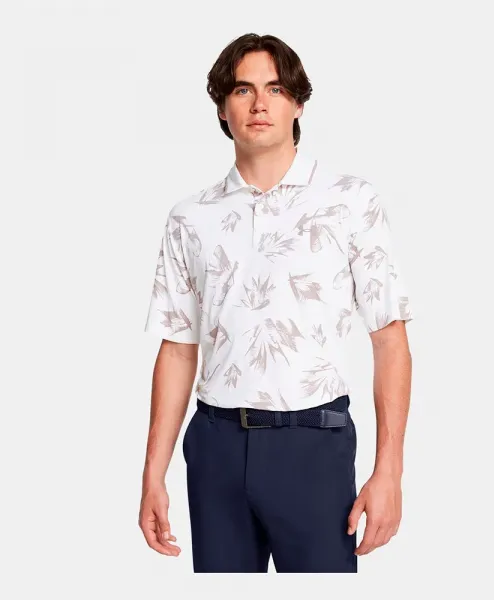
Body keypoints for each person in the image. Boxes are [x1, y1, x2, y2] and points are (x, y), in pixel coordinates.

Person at [138, 33, 414, 573]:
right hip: (215, 445)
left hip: (314, 444)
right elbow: (177, 348)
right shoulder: (191, 217)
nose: (260, 103)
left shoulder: (349, 201)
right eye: (243, 89)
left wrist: (390, 470)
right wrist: (153, 473)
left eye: (276, 89)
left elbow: (390, 339)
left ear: (298, 104)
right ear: (223, 107)